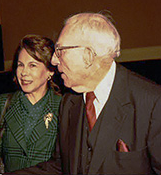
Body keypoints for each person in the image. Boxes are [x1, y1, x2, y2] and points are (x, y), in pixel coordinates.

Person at [10, 12, 161, 174]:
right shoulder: (69, 103)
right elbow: (61, 167)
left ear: (88, 56)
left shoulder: (152, 103)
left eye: (60, 50)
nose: (53, 60)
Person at [0, 34, 62, 174]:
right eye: (20, 65)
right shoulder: (2, 105)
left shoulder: (63, 107)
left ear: (50, 71)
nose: (24, 72)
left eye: (32, 65)